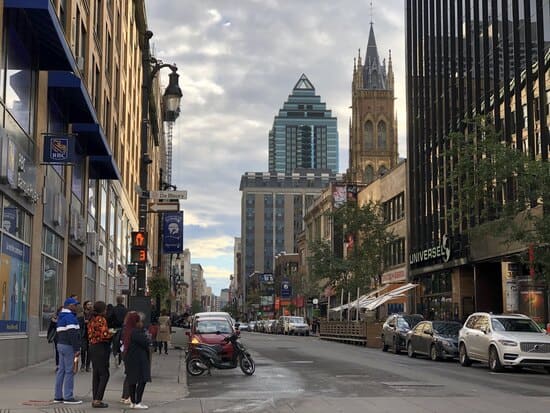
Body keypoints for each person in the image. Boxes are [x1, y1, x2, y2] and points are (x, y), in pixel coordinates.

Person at [53, 297, 82, 405]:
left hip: (61, 344)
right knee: (69, 371)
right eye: (74, 305)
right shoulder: (70, 317)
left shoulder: (61, 316)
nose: (76, 306)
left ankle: (58, 396)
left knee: (61, 370)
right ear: (69, 306)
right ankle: (68, 396)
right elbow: (72, 333)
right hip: (68, 346)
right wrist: (76, 349)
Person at [87, 301, 113, 408]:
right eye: (105, 309)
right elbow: (104, 334)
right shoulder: (101, 320)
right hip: (101, 347)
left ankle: (95, 398)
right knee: (104, 374)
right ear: (102, 310)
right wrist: (111, 333)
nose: (106, 311)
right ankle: (98, 399)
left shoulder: (91, 319)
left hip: (92, 346)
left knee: (96, 373)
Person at [123, 312, 151, 409]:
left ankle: (133, 402)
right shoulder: (136, 332)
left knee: (132, 380)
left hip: (130, 358)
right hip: (139, 358)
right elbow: (146, 342)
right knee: (142, 379)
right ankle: (138, 401)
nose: (141, 323)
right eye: (139, 321)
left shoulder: (127, 331)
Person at [47, 306, 63, 371]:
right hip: (57, 336)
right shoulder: (54, 318)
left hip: (64, 337)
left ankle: (62, 364)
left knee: (62, 351)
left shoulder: (66, 318)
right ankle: (58, 365)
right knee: (58, 350)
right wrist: (48, 336)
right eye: (61, 311)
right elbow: (50, 328)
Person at [81, 300, 93, 372]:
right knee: (83, 349)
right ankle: (83, 364)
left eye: (90, 304)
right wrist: (83, 322)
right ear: (85, 305)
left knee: (89, 350)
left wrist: (89, 322)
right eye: (88, 304)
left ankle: (88, 366)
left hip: (90, 333)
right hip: (83, 333)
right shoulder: (82, 313)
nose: (90, 306)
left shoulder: (92, 314)